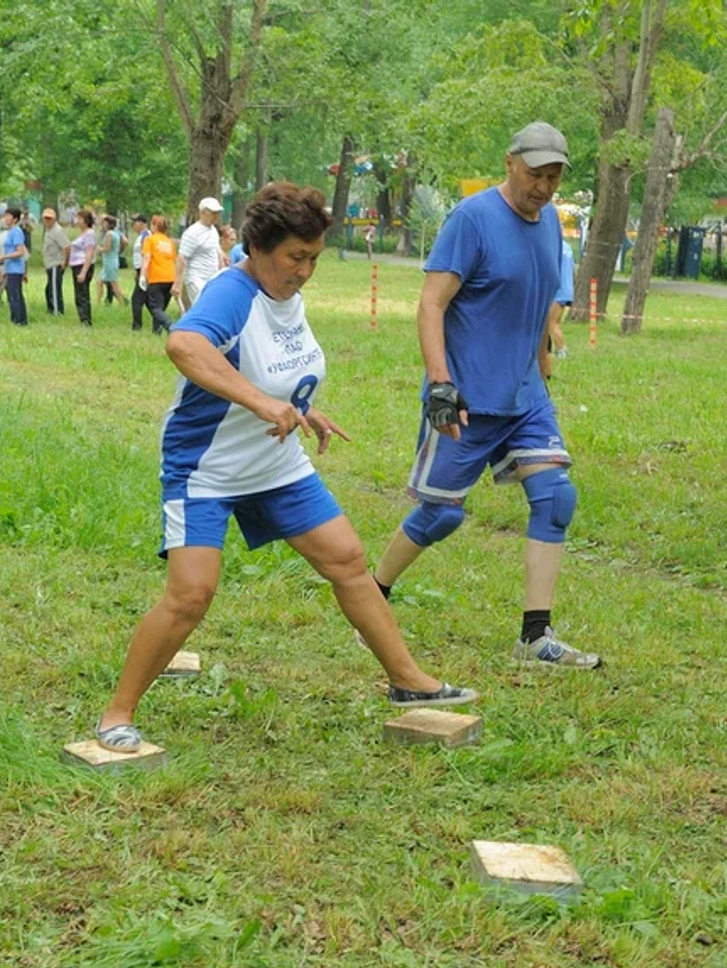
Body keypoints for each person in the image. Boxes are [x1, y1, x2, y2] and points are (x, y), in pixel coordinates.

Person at [92, 182, 478, 753]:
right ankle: (117, 714)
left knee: (347, 559)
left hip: (274, 461)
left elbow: (267, 364)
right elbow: (185, 346)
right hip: (207, 467)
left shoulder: (286, 294)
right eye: (296, 257)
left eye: (314, 258)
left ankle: (407, 680)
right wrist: (260, 402)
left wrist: (300, 408)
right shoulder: (233, 291)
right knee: (191, 595)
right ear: (259, 247)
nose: (305, 271)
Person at [369, 121, 601, 670]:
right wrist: (440, 385)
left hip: (525, 396)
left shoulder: (551, 224)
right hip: (467, 399)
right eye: (535, 174)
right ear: (510, 163)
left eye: (553, 177)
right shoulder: (471, 219)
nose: (543, 187)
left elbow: (539, 304)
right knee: (439, 516)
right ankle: (372, 598)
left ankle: (535, 638)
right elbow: (431, 303)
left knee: (556, 498)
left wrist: (541, 366)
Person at [175, 196, 224, 307]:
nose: (216, 216)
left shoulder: (213, 231)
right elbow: (182, 257)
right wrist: (177, 282)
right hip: (196, 278)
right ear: (202, 212)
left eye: (217, 213)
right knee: (204, 307)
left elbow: (217, 251)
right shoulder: (192, 232)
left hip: (212, 277)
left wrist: (221, 270)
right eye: (212, 212)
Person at [0, 206, 29, 325]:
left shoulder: (16, 232)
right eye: (5, 215)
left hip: (15, 269)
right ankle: (20, 319)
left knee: (14, 296)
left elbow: (20, 252)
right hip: (10, 269)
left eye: (8, 216)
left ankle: (17, 320)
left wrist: (2, 257)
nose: (6, 218)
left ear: (15, 219)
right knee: (14, 295)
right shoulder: (10, 232)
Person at [141, 215, 177, 335]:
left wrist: (142, 275)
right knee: (161, 308)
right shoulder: (170, 242)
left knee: (155, 308)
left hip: (156, 277)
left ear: (155, 225)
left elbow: (146, 258)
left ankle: (170, 326)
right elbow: (173, 261)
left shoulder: (150, 240)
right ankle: (156, 331)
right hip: (170, 277)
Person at [547, 236, 575, 360]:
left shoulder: (553, 246)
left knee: (552, 323)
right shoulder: (567, 247)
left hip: (557, 289)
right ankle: (547, 350)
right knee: (551, 322)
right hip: (567, 287)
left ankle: (562, 351)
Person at [68, 209, 98, 326]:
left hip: (82, 265)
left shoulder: (90, 234)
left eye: (80, 219)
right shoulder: (83, 233)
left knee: (82, 294)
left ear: (86, 221)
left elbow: (89, 253)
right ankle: (82, 318)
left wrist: (83, 272)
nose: (78, 221)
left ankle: (86, 320)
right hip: (76, 265)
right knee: (79, 294)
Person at [42, 207, 71, 315]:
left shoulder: (57, 231)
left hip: (56, 263)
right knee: (49, 289)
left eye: (49, 218)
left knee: (54, 289)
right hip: (49, 264)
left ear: (54, 219)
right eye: (45, 218)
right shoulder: (48, 230)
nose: (47, 220)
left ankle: (57, 311)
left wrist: (65, 262)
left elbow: (67, 247)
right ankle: (50, 310)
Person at [129, 213, 150, 330]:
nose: (132, 225)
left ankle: (136, 327)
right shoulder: (140, 237)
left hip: (144, 272)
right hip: (140, 271)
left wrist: (143, 274)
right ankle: (160, 321)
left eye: (134, 222)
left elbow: (146, 256)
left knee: (136, 300)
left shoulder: (146, 236)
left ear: (141, 223)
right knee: (147, 300)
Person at [98, 215, 125, 306]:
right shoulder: (115, 233)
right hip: (109, 261)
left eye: (104, 222)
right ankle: (98, 303)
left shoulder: (109, 234)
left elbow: (107, 248)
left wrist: (99, 249)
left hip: (110, 262)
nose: (103, 224)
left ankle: (122, 303)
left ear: (108, 224)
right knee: (99, 281)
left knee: (114, 284)